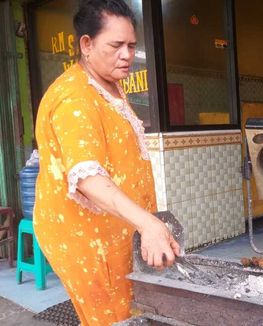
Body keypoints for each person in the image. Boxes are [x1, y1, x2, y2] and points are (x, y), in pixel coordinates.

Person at [33, 1, 180, 324]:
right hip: (88, 241)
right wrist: (148, 223)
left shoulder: (108, 85)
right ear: (86, 45)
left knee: (134, 309)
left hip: (117, 229)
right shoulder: (75, 98)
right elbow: (87, 177)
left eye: (131, 46)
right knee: (113, 317)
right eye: (116, 46)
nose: (127, 55)